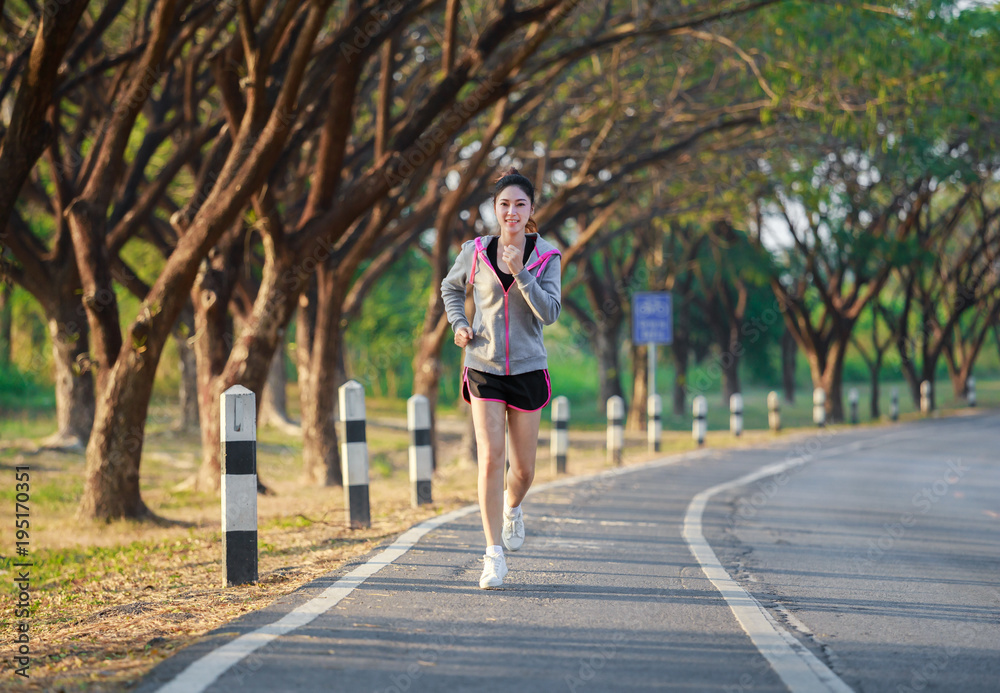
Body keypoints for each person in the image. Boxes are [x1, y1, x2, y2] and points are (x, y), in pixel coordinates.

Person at [440, 168, 562, 589]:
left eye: (520, 204)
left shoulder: (547, 255)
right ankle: (493, 556)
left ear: (531, 209)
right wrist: (459, 323)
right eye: (504, 204)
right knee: (491, 457)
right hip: (484, 366)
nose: (511, 211)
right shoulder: (474, 251)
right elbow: (450, 289)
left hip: (528, 369)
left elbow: (550, 312)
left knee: (523, 470)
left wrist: (522, 272)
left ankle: (512, 507)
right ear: (494, 209)